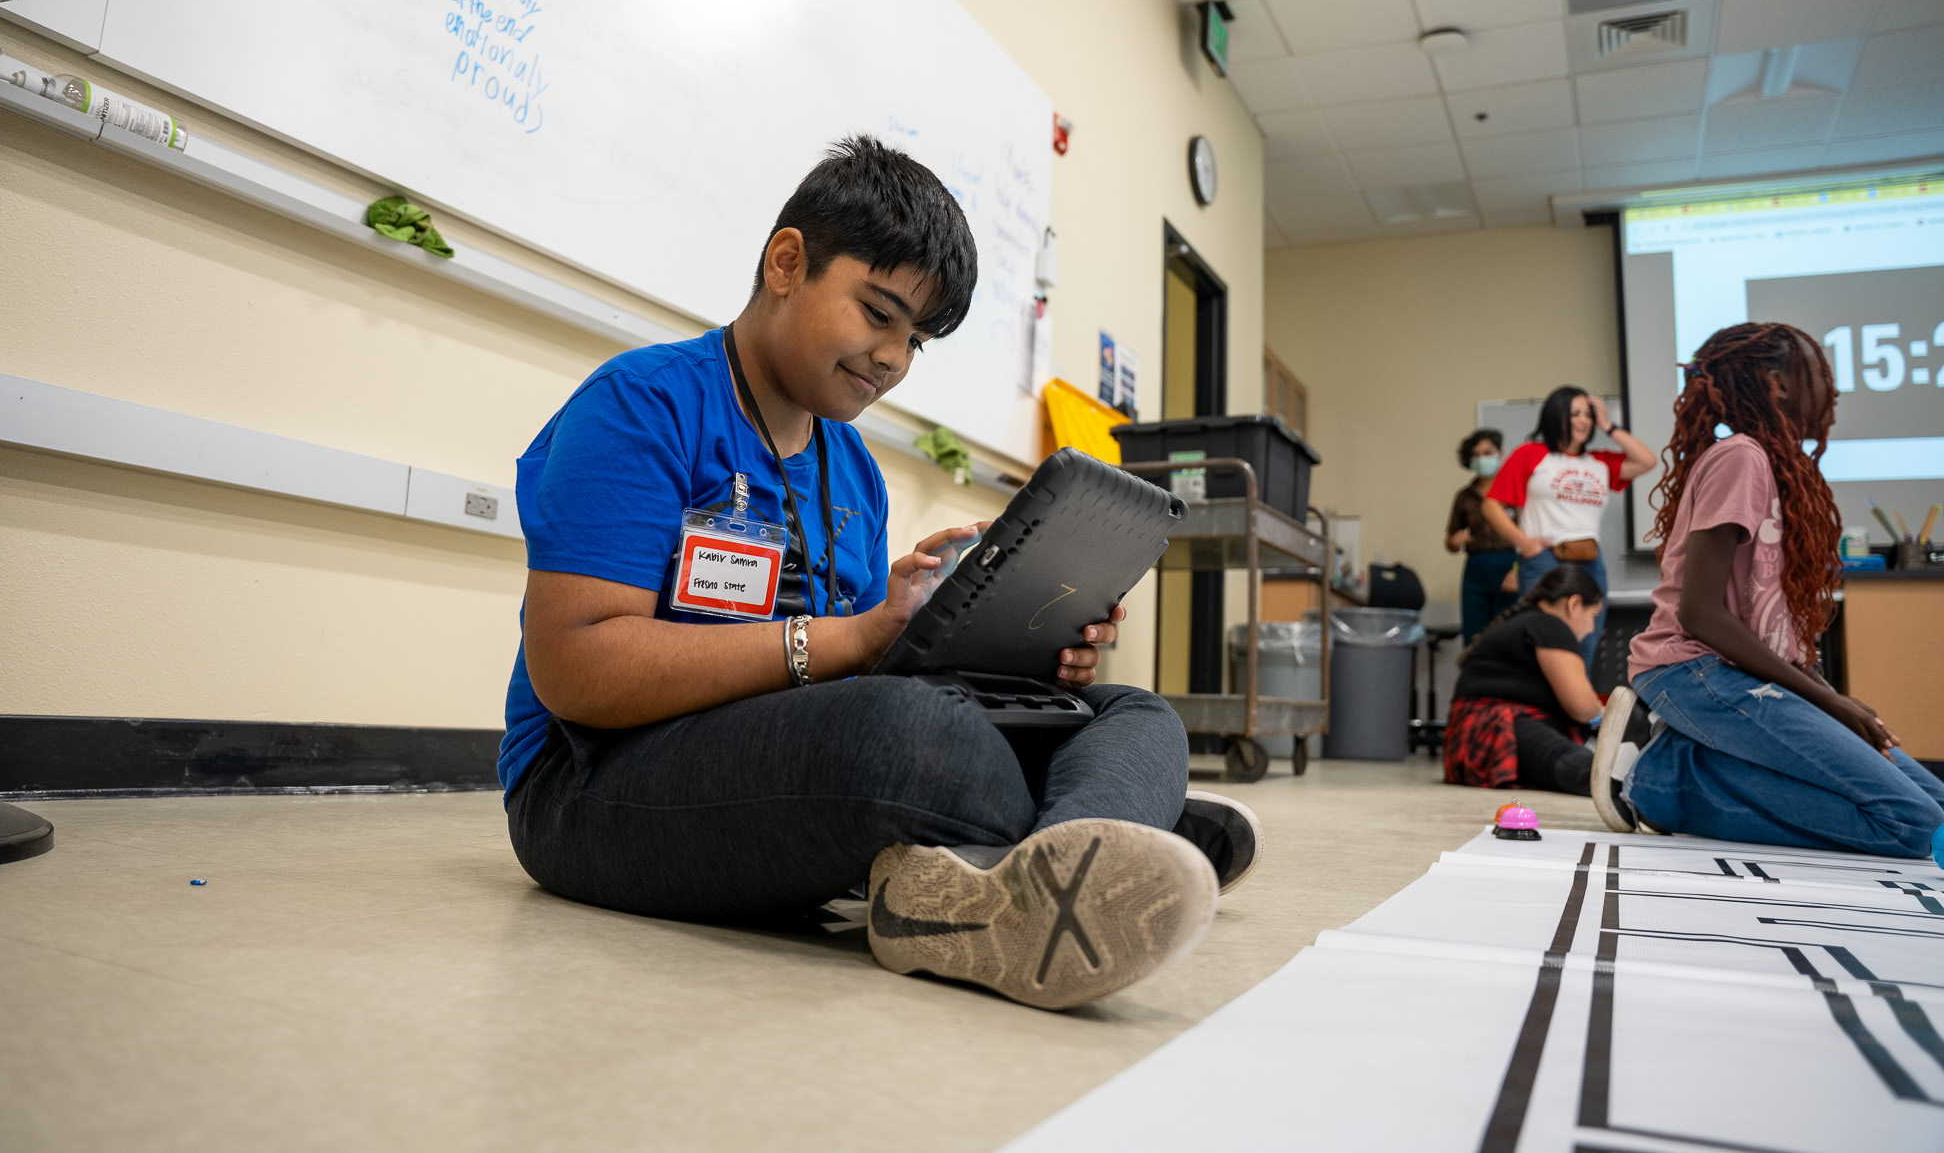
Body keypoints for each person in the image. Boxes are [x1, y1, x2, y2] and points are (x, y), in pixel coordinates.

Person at [499, 136, 1262, 1012]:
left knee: (1130, 711)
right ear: (787, 262)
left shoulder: (851, 467)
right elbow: (576, 670)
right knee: (903, 737)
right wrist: (849, 639)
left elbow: (860, 676)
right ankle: (1107, 825)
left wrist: (995, 644)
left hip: (788, 755)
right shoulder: (642, 404)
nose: (894, 357)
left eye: (918, 341)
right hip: (591, 783)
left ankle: (1033, 865)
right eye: (877, 312)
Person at [1591, 322, 1944, 856]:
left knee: (1935, 807)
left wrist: (1824, 698)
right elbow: (1701, 613)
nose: (1834, 387)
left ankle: (1690, 758)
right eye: (1820, 372)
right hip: (1693, 669)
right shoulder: (1742, 457)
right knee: (1909, 822)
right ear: (1777, 382)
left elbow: (1766, 619)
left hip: (1741, 673)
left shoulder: (1778, 467)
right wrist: (1830, 702)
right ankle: (1661, 781)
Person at [1481, 387, 1656, 671]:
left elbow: (1646, 461)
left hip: (1590, 560)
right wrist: (1524, 543)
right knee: (1547, 643)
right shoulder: (1531, 454)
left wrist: (1607, 425)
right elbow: (1491, 506)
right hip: (1544, 559)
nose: (1583, 420)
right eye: (1574, 413)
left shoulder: (1599, 461)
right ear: (1555, 415)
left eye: (1587, 414)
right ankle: (1541, 712)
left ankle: (1573, 712)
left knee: (1585, 643)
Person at [1443, 566, 1605, 795]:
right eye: (1593, 616)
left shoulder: (1523, 622)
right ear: (1574, 604)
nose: (1591, 629)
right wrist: (1603, 712)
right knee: (1589, 772)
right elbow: (1583, 709)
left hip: (1469, 739)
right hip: (1497, 728)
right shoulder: (1550, 625)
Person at [1445, 428, 1519, 643]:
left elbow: (1530, 535)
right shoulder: (1464, 496)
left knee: (1507, 636)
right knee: (1474, 637)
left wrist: (1518, 570)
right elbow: (1450, 541)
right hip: (1476, 569)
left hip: (1509, 567)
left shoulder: (1514, 491)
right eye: (1476, 455)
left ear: (1500, 453)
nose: (1481, 458)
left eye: (1487, 453)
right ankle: (1475, 676)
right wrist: (1454, 540)